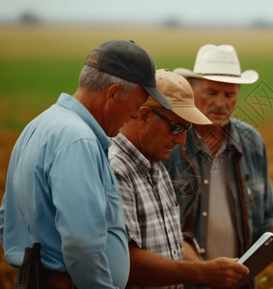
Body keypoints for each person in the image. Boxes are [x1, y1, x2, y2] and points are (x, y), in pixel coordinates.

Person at [0, 39, 173, 289]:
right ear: (113, 93)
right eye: (137, 105)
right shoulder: (78, 140)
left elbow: (7, 219)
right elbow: (82, 242)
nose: (135, 115)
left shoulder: (38, 126)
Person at [164, 44, 273, 288]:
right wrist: (199, 271)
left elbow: (265, 216)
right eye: (212, 93)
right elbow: (158, 228)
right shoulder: (170, 143)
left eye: (229, 95)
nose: (221, 103)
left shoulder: (252, 142)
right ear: (191, 90)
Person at [109, 69, 249, 289]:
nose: (182, 140)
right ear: (144, 115)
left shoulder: (156, 166)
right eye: (176, 127)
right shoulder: (115, 170)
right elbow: (126, 263)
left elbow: (171, 240)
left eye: (187, 128)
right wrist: (203, 273)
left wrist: (207, 268)